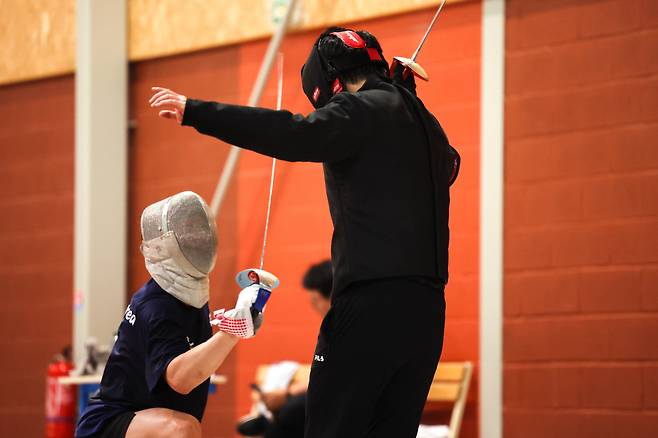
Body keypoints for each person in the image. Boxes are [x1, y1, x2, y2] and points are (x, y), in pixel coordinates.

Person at [149, 27, 459, 438]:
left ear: (328, 81)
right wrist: (404, 97)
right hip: (427, 313)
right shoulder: (425, 120)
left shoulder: (358, 110)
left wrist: (196, 111)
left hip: (370, 309)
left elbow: (293, 133)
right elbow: (447, 168)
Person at [75, 191, 275, 438]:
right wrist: (232, 331)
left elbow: (193, 362)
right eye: (188, 232)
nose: (198, 238)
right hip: (108, 425)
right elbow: (181, 379)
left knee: (185, 426)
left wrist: (238, 322)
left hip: (145, 419)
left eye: (198, 231)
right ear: (162, 246)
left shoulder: (187, 297)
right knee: (181, 430)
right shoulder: (156, 306)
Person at [237, 260, 333, 438]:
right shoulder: (334, 328)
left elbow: (333, 377)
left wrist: (287, 395)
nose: (315, 308)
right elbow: (327, 373)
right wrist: (286, 394)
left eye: (315, 301)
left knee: (292, 411)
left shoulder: (345, 328)